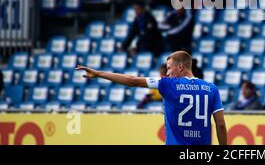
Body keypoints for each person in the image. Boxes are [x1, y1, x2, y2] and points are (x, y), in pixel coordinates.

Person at [76, 51, 227, 145]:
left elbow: (132, 81)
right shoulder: (211, 88)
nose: (167, 73)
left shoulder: (167, 83)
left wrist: (99, 74)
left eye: (169, 68)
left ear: (180, 67)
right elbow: (220, 125)